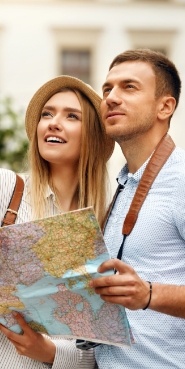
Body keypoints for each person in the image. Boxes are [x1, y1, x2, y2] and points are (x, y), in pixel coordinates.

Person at [0, 75, 114, 369]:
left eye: (71, 116)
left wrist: (50, 352)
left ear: (91, 135)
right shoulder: (6, 188)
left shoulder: (106, 225)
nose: (53, 122)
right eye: (47, 114)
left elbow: (102, 350)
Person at [89, 48, 185, 368]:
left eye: (129, 87)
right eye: (107, 89)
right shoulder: (121, 185)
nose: (112, 98)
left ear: (165, 106)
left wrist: (148, 294)